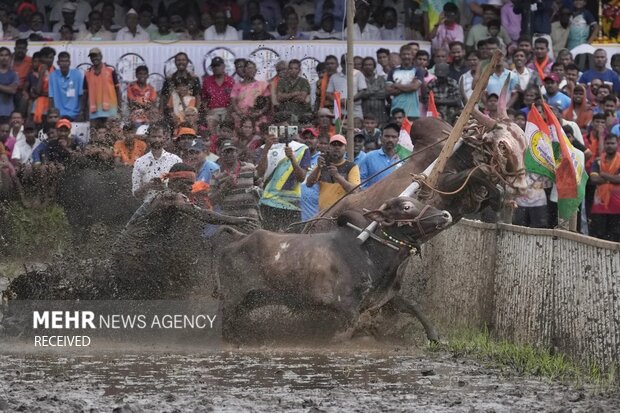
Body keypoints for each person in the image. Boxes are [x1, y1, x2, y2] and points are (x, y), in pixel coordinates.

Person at [256, 130, 310, 231]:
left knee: (292, 243)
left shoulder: (302, 148)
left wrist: (292, 158)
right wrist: (266, 149)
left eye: (285, 128)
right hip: (268, 203)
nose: (282, 132)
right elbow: (259, 173)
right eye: (278, 129)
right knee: (268, 242)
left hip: (292, 205)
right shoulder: (263, 148)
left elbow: (301, 178)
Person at [209, 140, 261, 223]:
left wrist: (257, 191)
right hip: (229, 220)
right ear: (220, 154)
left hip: (250, 218)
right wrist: (225, 187)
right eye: (225, 152)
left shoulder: (250, 168)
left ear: (237, 152)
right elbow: (212, 201)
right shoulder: (216, 175)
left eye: (231, 151)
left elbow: (262, 188)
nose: (228, 155)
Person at [306, 134, 360, 210]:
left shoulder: (351, 167)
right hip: (323, 213)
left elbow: (355, 191)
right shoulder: (323, 163)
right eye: (334, 145)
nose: (337, 147)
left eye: (340, 145)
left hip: (342, 213)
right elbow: (309, 183)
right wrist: (318, 168)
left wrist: (337, 176)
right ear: (329, 147)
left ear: (346, 148)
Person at [132, 125, 182, 199]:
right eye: (154, 137)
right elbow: (136, 194)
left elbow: (182, 188)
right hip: (148, 206)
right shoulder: (139, 162)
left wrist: (165, 186)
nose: (157, 140)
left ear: (164, 138)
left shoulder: (176, 160)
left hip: (171, 204)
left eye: (159, 136)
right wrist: (148, 186)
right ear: (148, 138)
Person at [589, 134, 620, 242]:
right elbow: (593, 180)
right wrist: (613, 178)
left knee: (616, 239)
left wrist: (603, 175)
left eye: (612, 143)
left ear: (617, 144)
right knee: (599, 238)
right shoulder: (597, 161)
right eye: (607, 143)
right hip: (599, 207)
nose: (610, 146)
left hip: (617, 208)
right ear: (604, 145)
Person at [83, 48, 121, 127]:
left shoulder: (110, 71)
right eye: (92, 57)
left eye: (96, 56)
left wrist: (119, 109)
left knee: (112, 136)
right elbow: (85, 94)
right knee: (95, 137)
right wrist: (84, 112)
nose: (94, 58)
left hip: (111, 111)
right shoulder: (87, 73)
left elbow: (117, 90)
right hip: (94, 112)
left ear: (101, 56)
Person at [359, 123, 402, 189]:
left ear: (398, 139)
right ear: (381, 138)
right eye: (387, 136)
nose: (390, 139)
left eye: (394, 137)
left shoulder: (402, 160)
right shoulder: (369, 157)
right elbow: (360, 181)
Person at [326, 54, 367, 121]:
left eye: (349, 62)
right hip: (339, 108)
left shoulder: (358, 74)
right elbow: (328, 93)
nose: (346, 64)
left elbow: (363, 91)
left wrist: (349, 100)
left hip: (354, 107)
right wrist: (339, 101)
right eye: (344, 62)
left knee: (357, 129)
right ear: (341, 64)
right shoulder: (334, 77)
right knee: (338, 129)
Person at [386, 44, 422, 119]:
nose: (406, 57)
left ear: (413, 56)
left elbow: (414, 87)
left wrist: (396, 85)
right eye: (404, 54)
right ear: (400, 56)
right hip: (396, 111)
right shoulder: (393, 71)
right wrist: (409, 86)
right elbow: (389, 90)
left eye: (408, 54)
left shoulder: (418, 70)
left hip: (412, 111)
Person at [48, 51, 85, 122]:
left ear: (70, 62)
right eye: (62, 61)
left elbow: (81, 95)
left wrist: (81, 112)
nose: (64, 64)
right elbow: (51, 97)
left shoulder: (77, 74)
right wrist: (51, 113)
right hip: (58, 115)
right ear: (58, 63)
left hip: (74, 114)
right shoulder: (53, 75)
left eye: (66, 61)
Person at [201, 57, 234, 123]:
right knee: (210, 121)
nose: (216, 68)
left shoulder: (230, 81)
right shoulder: (207, 81)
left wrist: (229, 112)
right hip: (212, 110)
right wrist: (207, 111)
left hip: (227, 110)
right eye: (214, 66)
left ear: (223, 66)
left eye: (218, 65)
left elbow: (233, 99)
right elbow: (203, 99)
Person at [359, 57, 388, 127]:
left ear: (374, 66)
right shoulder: (359, 79)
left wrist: (368, 92)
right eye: (366, 65)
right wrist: (376, 91)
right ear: (362, 67)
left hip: (380, 114)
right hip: (365, 113)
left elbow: (384, 94)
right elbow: (361, 94)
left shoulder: (381, 79)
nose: (368, 67)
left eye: (370, 65)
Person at [0, 47, 18, 125]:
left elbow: (13, 90)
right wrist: (6, 87)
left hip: (7, 111)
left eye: (6, 55)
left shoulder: (13, 74)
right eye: (1, 55)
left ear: (10, 57)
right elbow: (9, 89)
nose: (4, 57)